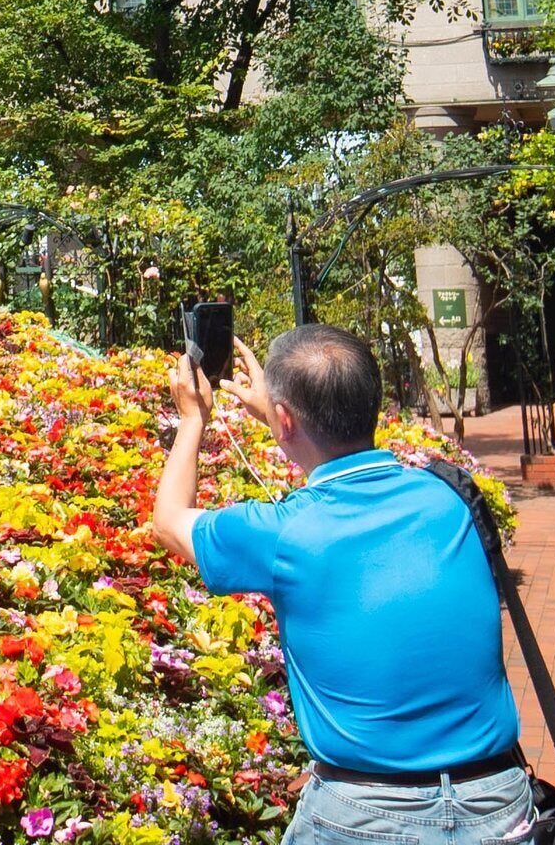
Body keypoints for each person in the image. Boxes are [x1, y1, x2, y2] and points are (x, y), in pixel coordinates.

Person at [153, 324, 529, 844]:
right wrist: (287, 424)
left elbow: (170, 520)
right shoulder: (447, 497)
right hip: (499, 804)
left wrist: (193, 419)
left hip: (366, 814)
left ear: (284, 419)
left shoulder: (283, 532)